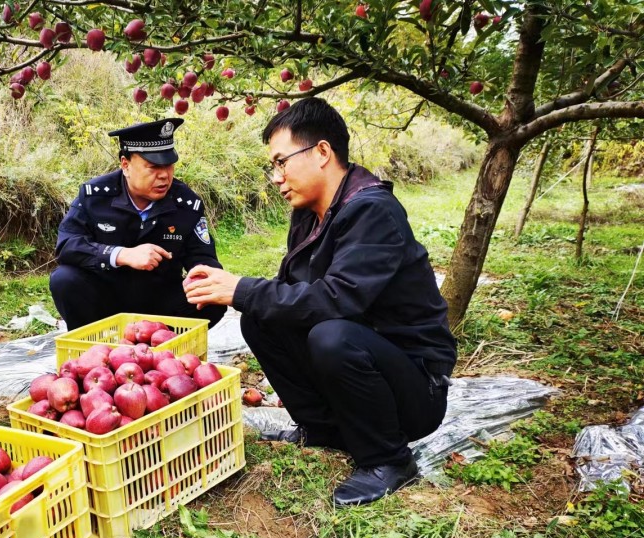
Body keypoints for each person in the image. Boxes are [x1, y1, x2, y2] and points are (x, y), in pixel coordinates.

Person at [184, 98, 457, 506]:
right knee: (261, 320)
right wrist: (243, 294)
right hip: (367, 356)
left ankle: (388, 459)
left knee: (333, 336)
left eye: (281, 162)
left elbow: (337, 299)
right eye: (273, 166)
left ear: (322, 152)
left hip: (415, 388)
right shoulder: (312, 213)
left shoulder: (373, 212)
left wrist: (240, 288)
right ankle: (324, 430)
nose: (276, 177)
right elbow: (293, 293)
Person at [50, 118, 226, 330]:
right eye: (153, 167)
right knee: (64, 279)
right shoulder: (95, 197)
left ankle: (159, 343)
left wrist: (200, 273)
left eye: (169, 165)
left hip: (160, 304)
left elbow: (203, 256)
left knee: (212, 296)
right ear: (126, 165)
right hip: (105, 300)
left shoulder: (186, 204)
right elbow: (67, 245)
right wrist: (120, 254)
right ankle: (94, 344)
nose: (164, 175)